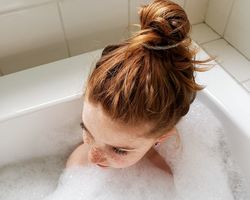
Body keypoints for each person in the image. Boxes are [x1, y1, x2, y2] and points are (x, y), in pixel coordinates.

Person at [66, 0, 210, 175]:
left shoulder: (161, 179)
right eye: (86, 130)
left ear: (161, 138)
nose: (92, 157)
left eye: (118, 150)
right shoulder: (78, 164)